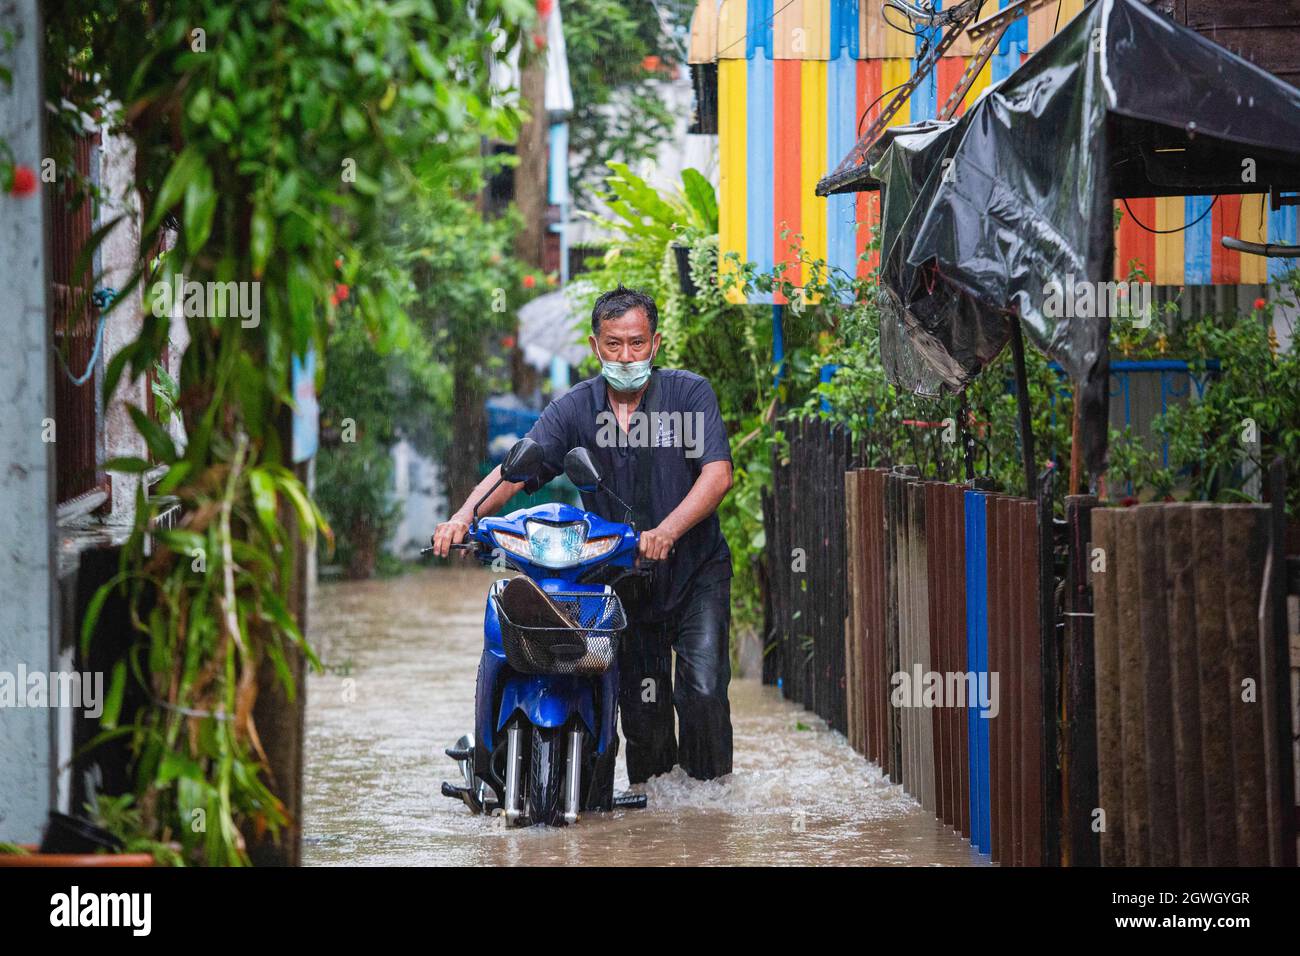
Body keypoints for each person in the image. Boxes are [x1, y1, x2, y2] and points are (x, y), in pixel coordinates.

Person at [430, 284, 735, 783]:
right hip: (621, 579)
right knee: (643, 714)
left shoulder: (688, 394)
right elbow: (516, 469)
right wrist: (464, 515)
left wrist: (667, 530)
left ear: (655, 344)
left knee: (701, 691)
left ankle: (713, 806)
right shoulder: (575, 408)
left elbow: (717, 474)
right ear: (595, 347)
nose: (626, 355)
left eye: (637, 343)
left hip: (694, 573)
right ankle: (659, 819)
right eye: (613, 344)